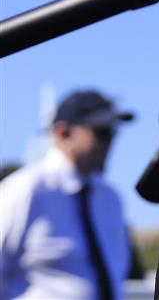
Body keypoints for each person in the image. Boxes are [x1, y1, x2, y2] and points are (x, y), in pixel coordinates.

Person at [0, 90, 134, 300]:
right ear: (63, 133)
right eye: (101, 132)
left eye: (112, 132)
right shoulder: (24, 190)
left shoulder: (110, 199)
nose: (108, 143)